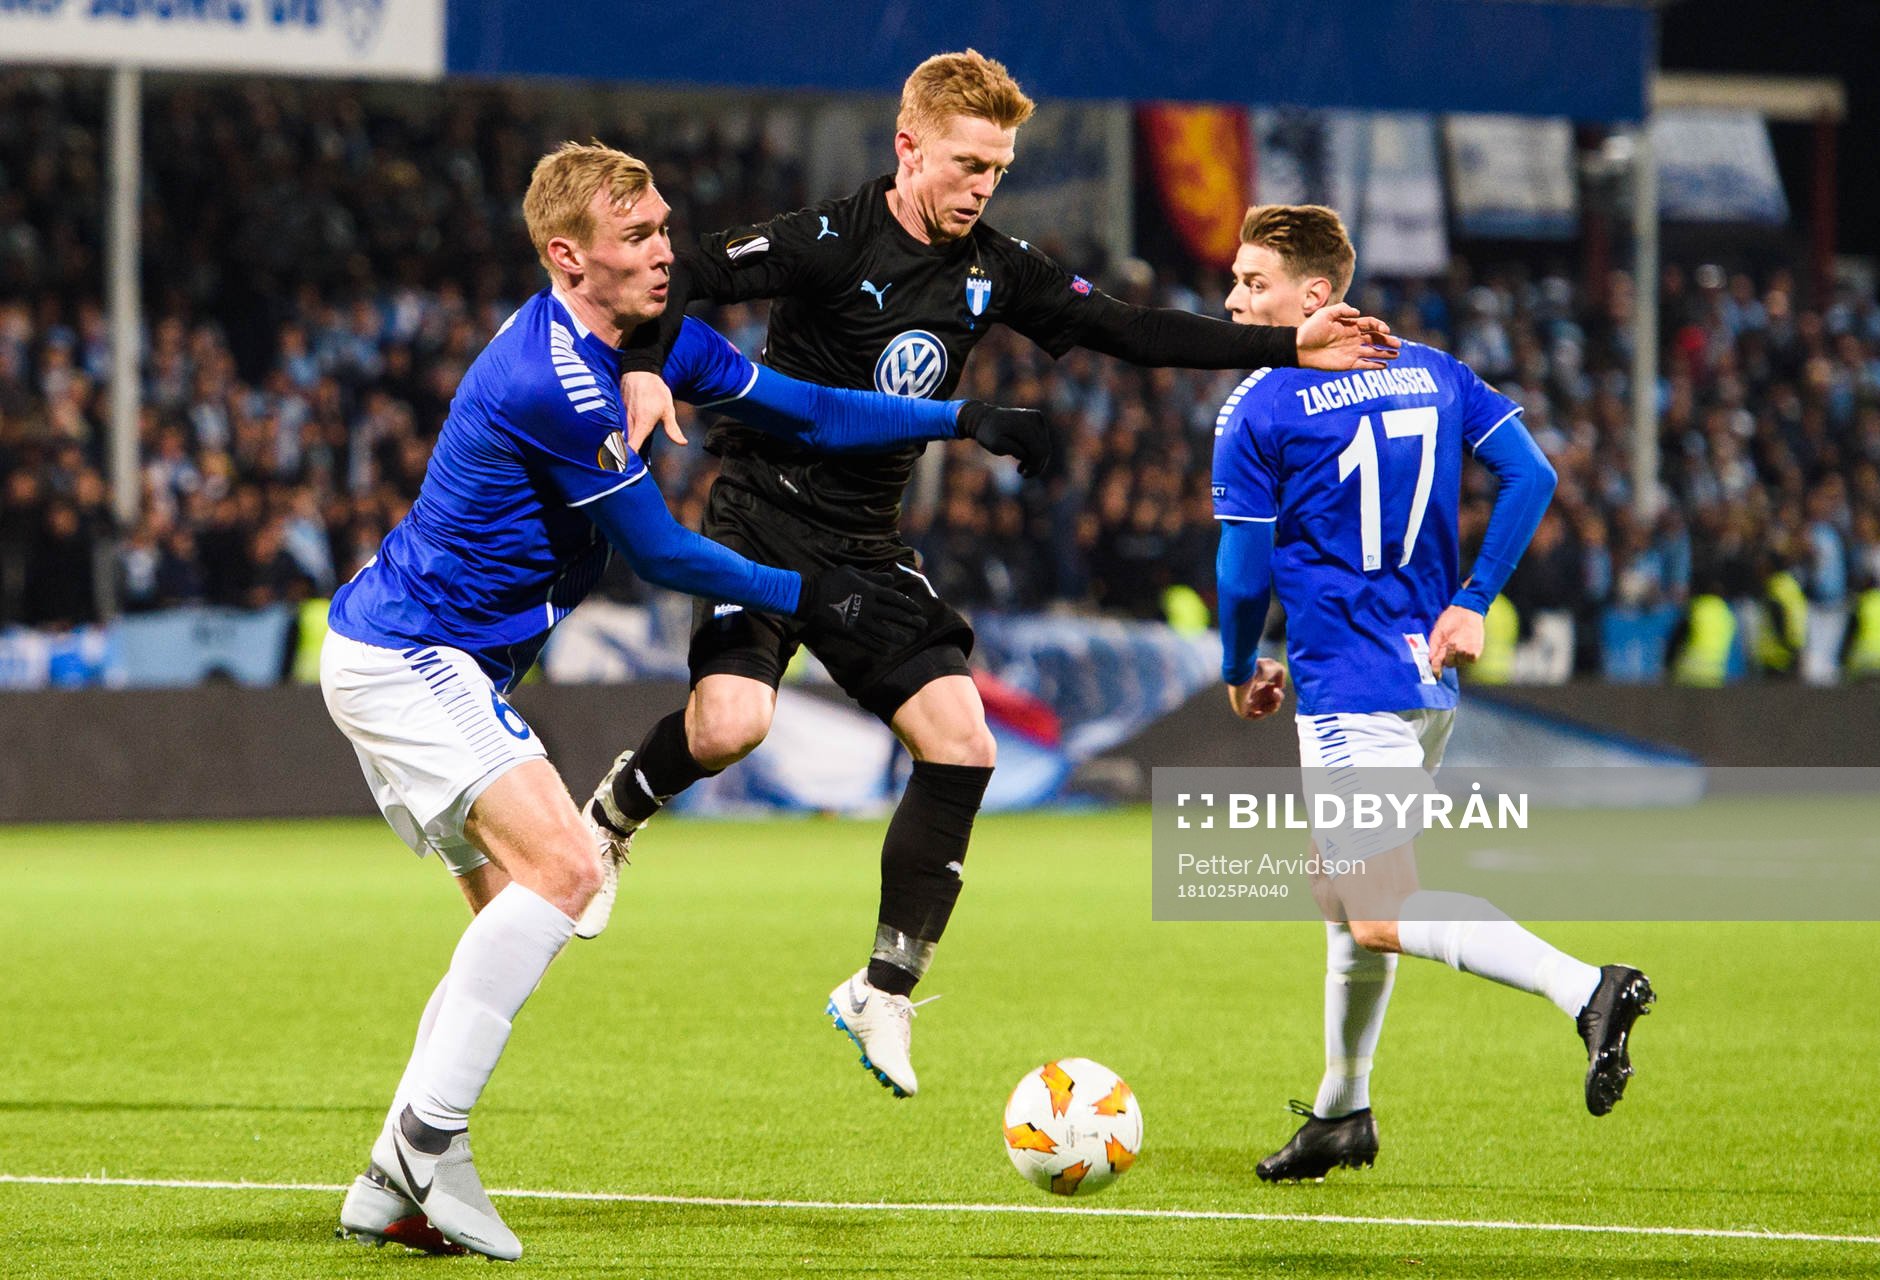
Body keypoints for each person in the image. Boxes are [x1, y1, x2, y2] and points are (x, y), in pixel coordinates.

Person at [589, 50, 1400, 1100]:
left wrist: (1289, 345)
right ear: (908, 146)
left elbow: (1128, 329)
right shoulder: (830, 237)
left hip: (868, 540)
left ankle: (883, 986)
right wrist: (647, 358)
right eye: (969, 162)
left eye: (1000, 168)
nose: (983, 185)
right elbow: (691, 268)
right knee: (729, 726)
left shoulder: (995, 266)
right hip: (761, 514)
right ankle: (611, 814)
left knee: (963, 743)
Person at [324, 141, 1049, 1260]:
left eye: (666, 227)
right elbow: (662, 552)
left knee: (520, 916)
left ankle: (403, 1170)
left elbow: (808, 408)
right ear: (569, 258)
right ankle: (420, 1149)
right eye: (637, 238)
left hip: (415, 653)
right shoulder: (554, 378)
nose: (668, 252)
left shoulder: (649, 341)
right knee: (567, 873)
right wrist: (811, 594)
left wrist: (961, 420)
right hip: (414, 655)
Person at [1208, 204, 1654, 1183]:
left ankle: (1586, 987)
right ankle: (1340, 1108)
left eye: (1254, 281)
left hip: (1347, 688)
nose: (1235, 297)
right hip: (1424, 680)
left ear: (1314, 295)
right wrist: (1473, 599)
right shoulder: (1432, 368)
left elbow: (1242, 575)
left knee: (1373, 907)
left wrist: (1241, 668)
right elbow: (1531, 474)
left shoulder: (1262, 403)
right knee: (1343, 895)